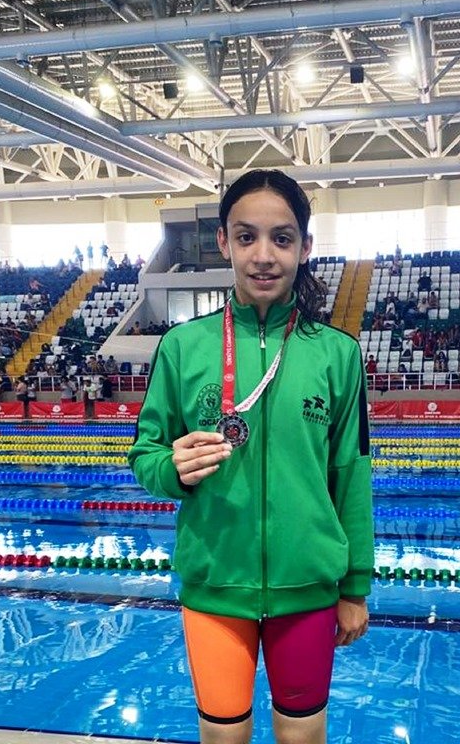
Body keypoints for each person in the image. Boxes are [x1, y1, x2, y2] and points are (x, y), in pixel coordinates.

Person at [128, 169, 373, 744]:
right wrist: (171, 468)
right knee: (224, 738)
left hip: (308, 589)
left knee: (302, 737)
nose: (263, 256)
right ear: (224, 242)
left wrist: (355, 587)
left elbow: (351, 473)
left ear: (305, 247)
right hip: (215, 586)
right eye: (246, 237)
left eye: (281, 239)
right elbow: (145, 454)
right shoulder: (182, 347)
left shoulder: (337, 354)